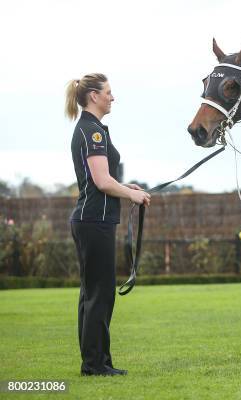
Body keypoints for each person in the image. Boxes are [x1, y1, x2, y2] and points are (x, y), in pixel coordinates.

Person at [65, 73, 151, 376]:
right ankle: (95, 364)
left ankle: (97, 362)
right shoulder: (93, 132)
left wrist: (130, 188)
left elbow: (103, 178)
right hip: (94, 221)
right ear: (94, 97)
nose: (112, 97)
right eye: (109, 92)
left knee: (92, 293)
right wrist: (131, 195)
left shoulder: (92, 129)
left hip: (91, 220)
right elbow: (101, 182)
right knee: (100, 293)